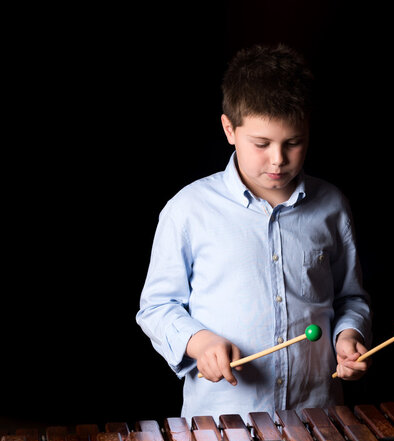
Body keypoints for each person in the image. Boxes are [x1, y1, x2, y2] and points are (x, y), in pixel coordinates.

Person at [136, 44, 372, 421]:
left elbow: (351, 299)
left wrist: (349, 337)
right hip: (222, 422)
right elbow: (157, 307)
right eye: (261, 144)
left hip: (319, 417)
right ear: (229, 129)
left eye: (293, 143)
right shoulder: (189, 210)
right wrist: (198, 342)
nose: (278, 159)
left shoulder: (332, 206)